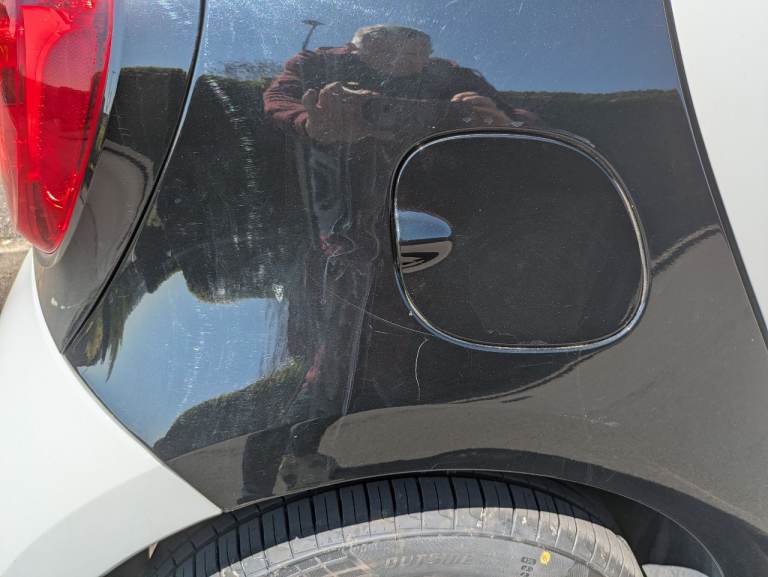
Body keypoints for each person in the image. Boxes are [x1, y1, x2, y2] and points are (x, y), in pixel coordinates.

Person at [264, 24, 535, 143]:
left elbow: (520, 118)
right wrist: (310, 121)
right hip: (345, 190)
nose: (406, 62)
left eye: (419, 54)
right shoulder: (320, 63)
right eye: (388, 51)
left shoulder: (452, 74)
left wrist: (502, 125)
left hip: (448, 179)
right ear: (353, 49)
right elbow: (278, 97)